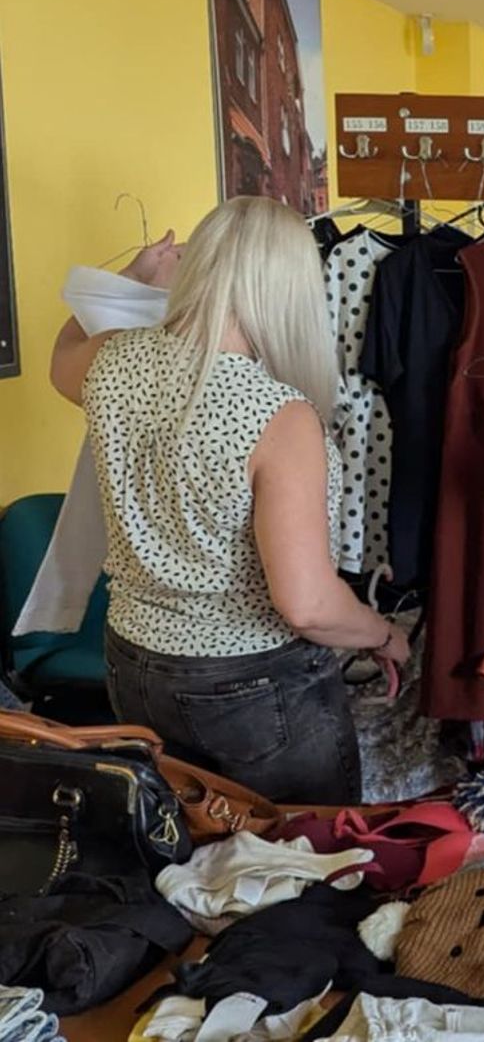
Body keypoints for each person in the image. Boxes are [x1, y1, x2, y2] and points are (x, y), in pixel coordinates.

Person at [50, 196, 408, 803]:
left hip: (134, 661)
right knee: (302, 853)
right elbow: (306, 605)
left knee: (186, 847)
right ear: (289, 288)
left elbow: (60, 358)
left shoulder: (114, 362)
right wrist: (380, 634)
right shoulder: (278, 415)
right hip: (249, 681)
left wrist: (131, 279)